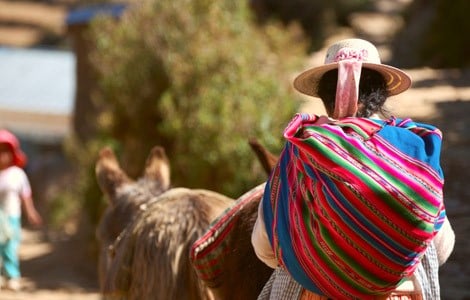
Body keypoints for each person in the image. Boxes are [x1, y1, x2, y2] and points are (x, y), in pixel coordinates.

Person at [251, 38, 455, 299]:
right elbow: (440, 247)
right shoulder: (412, 151)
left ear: (326, 97)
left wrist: (321, 262)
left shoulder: (303, 150)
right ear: (382, 94)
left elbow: (264, 246)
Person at [0, 129, 42, 291]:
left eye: (5, 151)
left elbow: (25, 195)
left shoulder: (17, 174)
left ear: (12, 154)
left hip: (11, 217)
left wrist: (31, 213)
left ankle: (12, 276)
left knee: (10, 247)